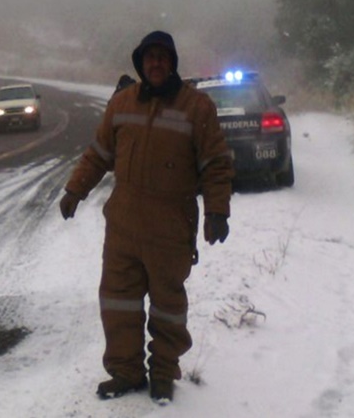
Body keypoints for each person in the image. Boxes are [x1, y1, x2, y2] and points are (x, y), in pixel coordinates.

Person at [59, 30, 234, 405]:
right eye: (149, 57)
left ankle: (164, 373)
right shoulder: (122, 104)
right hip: (122, 225)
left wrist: (217, 210)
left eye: (162, 57)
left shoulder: (196, 107)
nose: (156, 63)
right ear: (140, 63)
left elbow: (216, 165)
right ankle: (126, 370)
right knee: (118, 301)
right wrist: (75, 190)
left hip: (170, 227)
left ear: (172, 62)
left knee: (168, 305)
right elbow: (97, 154)